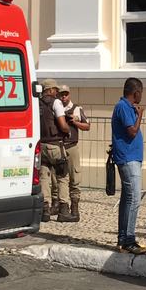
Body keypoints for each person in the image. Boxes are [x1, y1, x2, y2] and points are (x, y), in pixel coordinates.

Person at [111, 77, 146, 254]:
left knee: (127, 199)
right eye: (141, 93)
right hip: (128, 158)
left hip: (131, 157)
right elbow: (132, 132)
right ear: (136, 92)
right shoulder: (124, 107)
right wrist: (140, 115)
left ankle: (122, 238)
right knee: (134, 198)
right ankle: (129, 239)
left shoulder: (126, 107)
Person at [37, 79, 74, 223]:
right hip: (55, 145)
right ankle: (64, 209)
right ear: (51, 90)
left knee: (44, 177)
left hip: (42, 144)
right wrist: (68, 131)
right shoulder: (56, 102)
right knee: (62, 176)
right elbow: (62, 124)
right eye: (56, 90)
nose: (57, 93)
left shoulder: (37, 103)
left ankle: (45, 210)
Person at [56, 85, 89, 222]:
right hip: (60, 146)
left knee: (75, 177)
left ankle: (75, 208)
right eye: (61, 94)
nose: (63, 97)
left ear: (69, 94)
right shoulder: (56, 108)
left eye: (66, 94)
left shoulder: (77, 108)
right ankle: (63, 207)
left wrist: (75, 122)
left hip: (72, 146)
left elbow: (87, 126)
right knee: (61, 178)